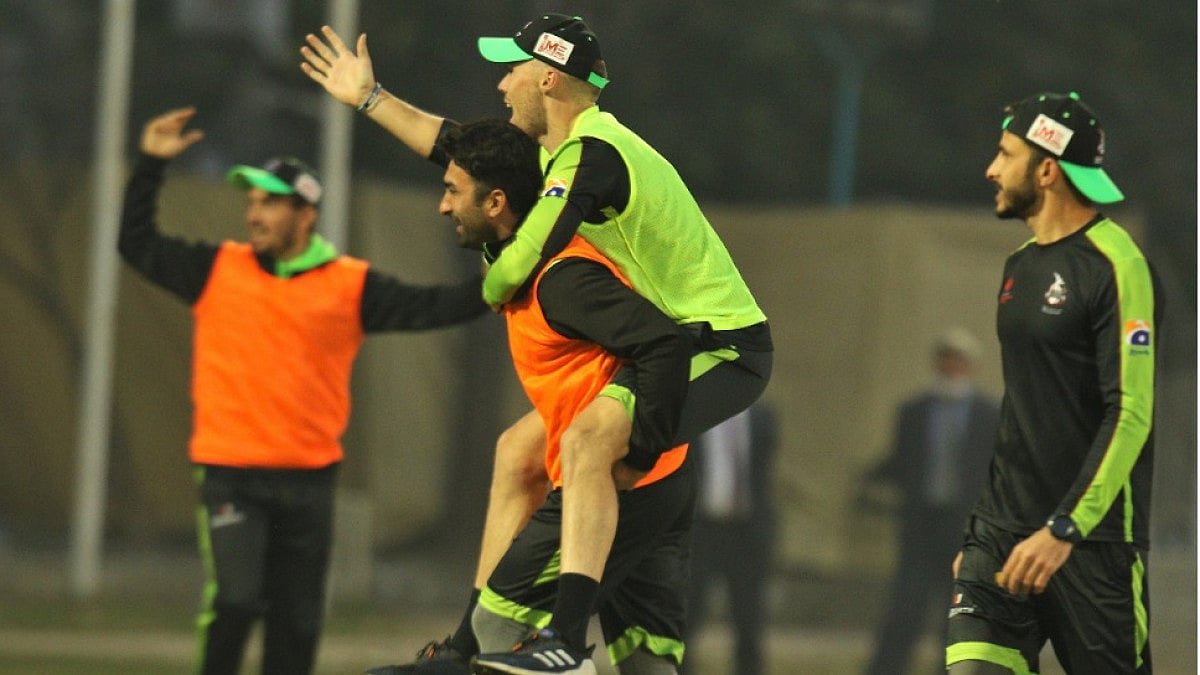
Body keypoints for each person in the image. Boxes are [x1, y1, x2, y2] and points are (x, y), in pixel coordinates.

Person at [300, 14, 773, 674]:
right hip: (666, 346)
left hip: (719, 347)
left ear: (547, 76)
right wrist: (372, 100)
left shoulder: (594, 151)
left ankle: (562, 641)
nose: (502, 82)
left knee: (586, 444)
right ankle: (471, 641)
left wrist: (492, 285)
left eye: (512, 68)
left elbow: (529, 248)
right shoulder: (557, 153)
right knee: (517, 449)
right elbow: (459, 150)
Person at [117, 107, 490, 675]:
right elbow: (136, 243)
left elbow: (439, 305)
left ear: (305, 213)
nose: (255, 213)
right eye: (251, 202)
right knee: (237, 599)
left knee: (297, 622)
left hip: (309, 480)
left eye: (269, 202)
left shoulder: (349, 285)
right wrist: (149, 165)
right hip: (230, 473)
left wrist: (513, 264)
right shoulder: (217, 268)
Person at [419, 118, 693, 675]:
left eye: (452, 192)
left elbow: (666, 343)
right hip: (662, 481)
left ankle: (566, 659)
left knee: (499, 627)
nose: (444, 206)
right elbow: (461, 145)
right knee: (648, 664)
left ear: (496, 202)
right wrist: (373, 101)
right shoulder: (524, 257)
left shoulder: (557, 277)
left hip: (622, 483)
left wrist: (638, 454)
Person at [946, 92, 1161, 674]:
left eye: (1005, 153)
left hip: (1092, 548)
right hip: (1000, 540)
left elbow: (1132, 414)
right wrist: (980, 530)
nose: (992, 169)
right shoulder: (1018, 266)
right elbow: (1024, 410)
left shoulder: (1119, 266)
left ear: (1046, 168)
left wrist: (1065, 527)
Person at [858, 329, 999, 674]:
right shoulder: (915, 411)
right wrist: (869, 480)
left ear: (970, 366)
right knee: (906, 607)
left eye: (958, 360)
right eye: (945, 359)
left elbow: (995, 467)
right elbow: (902, 460)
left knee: (956, 611)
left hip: (964, 528)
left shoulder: (987, 414)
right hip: (920, 525)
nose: (951, 367)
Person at [681, 402, 778, 675]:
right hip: (700, 532)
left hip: (746, 534)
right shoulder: (692, 417)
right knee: (688, 616)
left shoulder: (762, 418)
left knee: (749, 620)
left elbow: (763, 477)